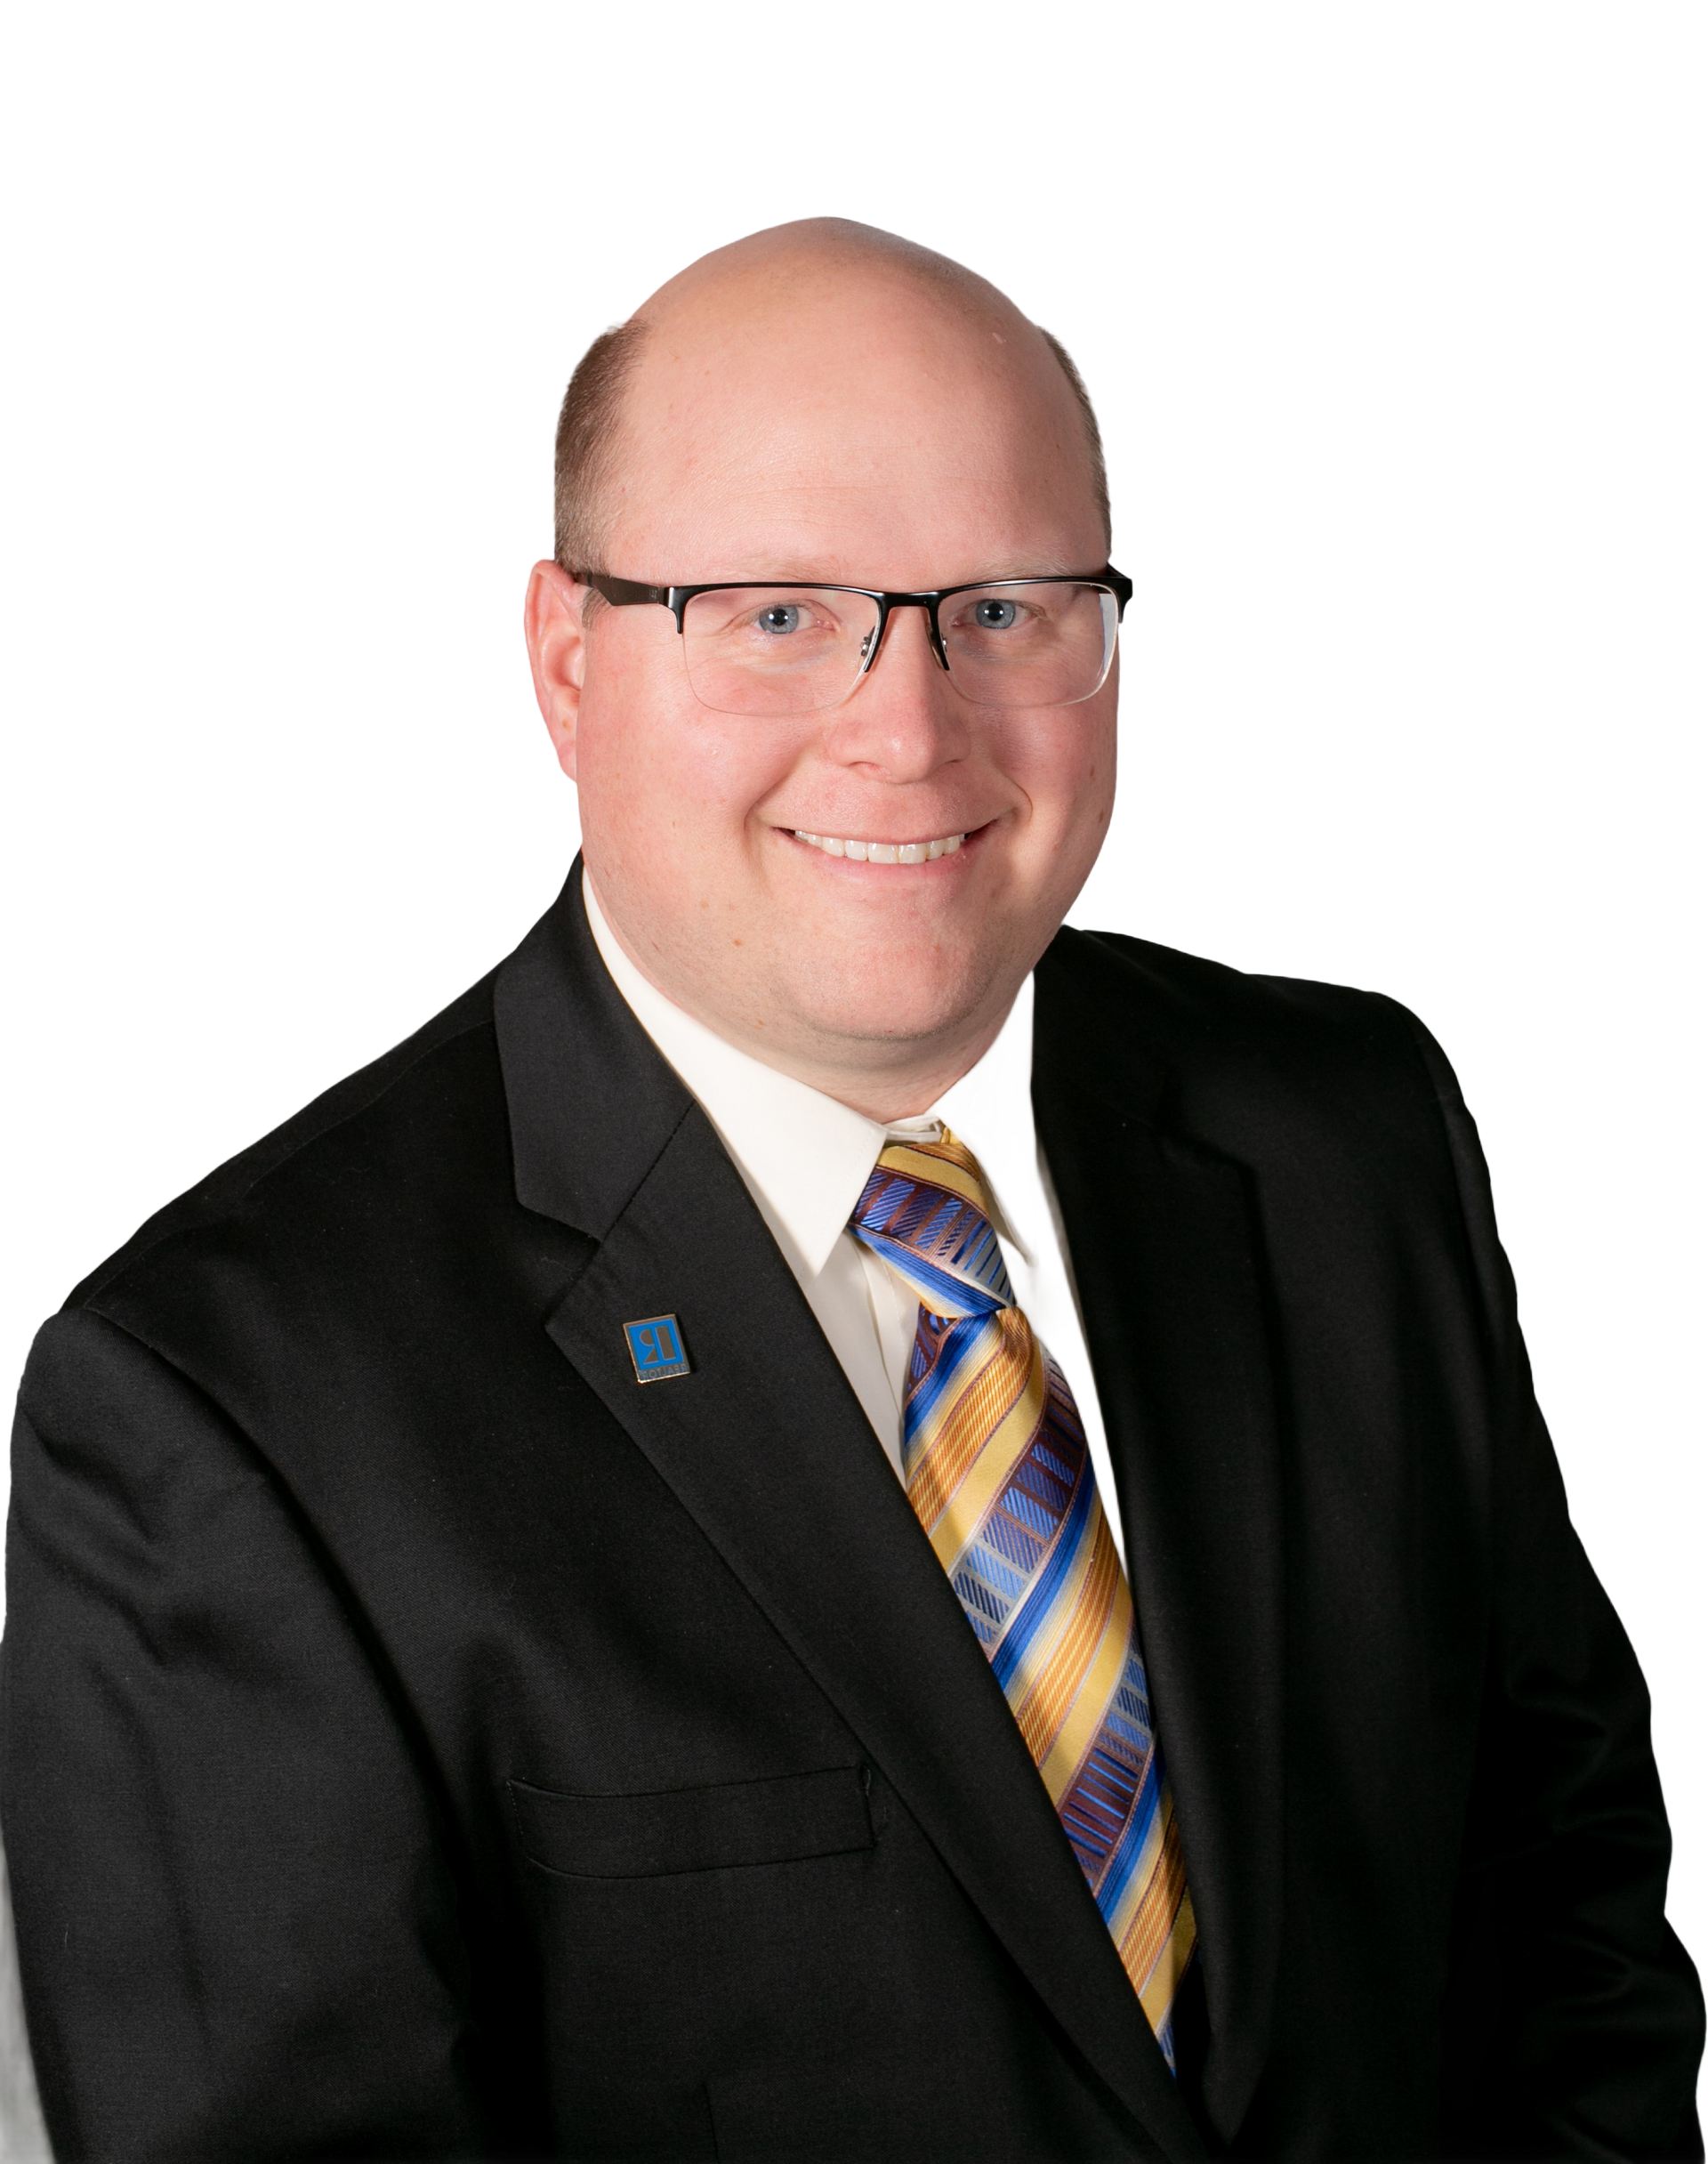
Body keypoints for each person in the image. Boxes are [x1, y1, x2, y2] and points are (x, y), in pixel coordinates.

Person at [2, 214, 1699, 2163]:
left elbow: (1559, 1904)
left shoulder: (1346, 1132)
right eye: (777, 614)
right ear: (566, 660)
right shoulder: (223, 1402)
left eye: (1007, 608)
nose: (908, 729)